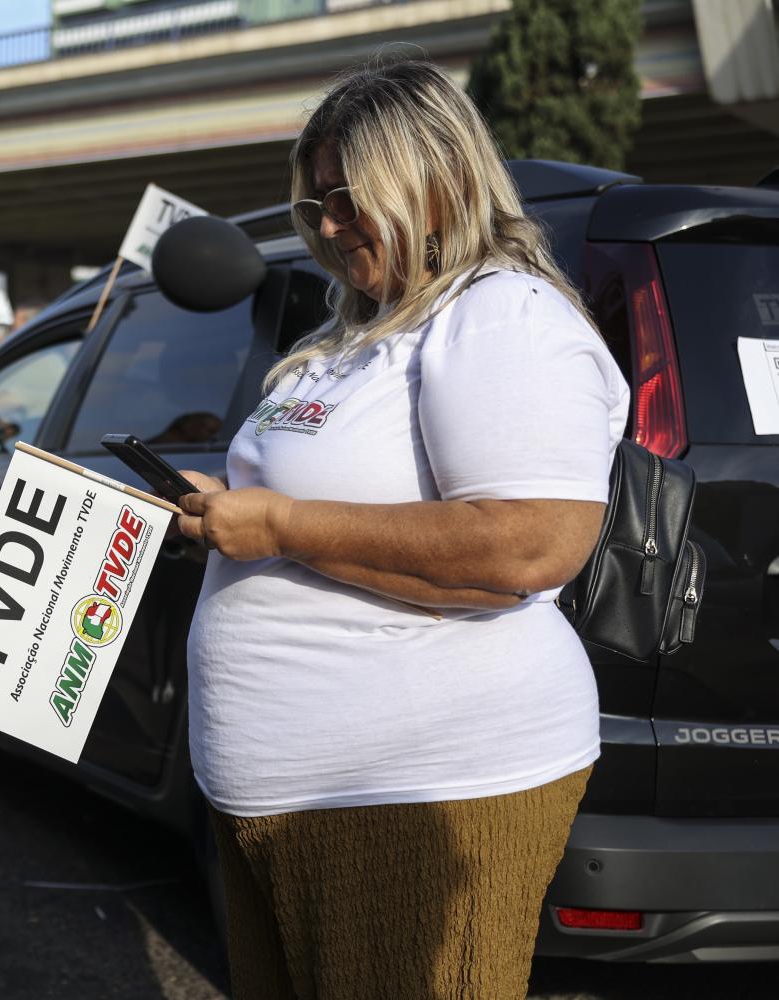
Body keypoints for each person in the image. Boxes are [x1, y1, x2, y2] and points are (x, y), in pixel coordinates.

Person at [175, 60, 629, 999]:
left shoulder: (501, 315)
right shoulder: (367, 331)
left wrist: (284, 525)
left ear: (440, 181)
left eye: (349, 199)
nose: (329, 227)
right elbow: (335, 500)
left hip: (415, 789)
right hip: (299, 796)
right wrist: (223, 507)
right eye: (317, 205)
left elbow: (528, 545)